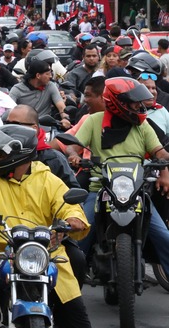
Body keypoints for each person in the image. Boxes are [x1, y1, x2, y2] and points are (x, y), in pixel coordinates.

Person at [0, 124, 94, 328]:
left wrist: (73, 218)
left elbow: (67, 204)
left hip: (45, 255)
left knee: (77, 313)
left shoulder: (48, 179)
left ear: (19, 155)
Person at [64, 77, 169, 269]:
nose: (139, 106)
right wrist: (74, 155)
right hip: (100, 189)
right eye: (134, 103)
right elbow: (73, 146)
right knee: (79, 236)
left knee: (164, 237)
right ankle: (71, 278)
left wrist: (165, 162)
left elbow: (159, 152)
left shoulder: (142, 125)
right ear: (118, 103)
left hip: (136, 191)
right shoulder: (93, 121)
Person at [9, 58, 71, 126]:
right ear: (38, 75)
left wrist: (65, 119)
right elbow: (9, 110)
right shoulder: (17, 89)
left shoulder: (50, 86)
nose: (50, 76)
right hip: (24, 126)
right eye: (47, 74)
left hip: (46, 126)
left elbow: (61, 107)